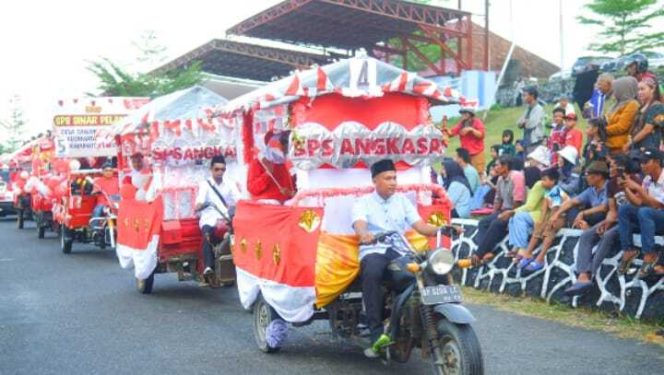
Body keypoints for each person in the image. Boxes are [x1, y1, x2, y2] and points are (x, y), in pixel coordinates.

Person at [352, 159, 457, 358]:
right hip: (374, 249)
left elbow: (421, 227)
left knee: (426, 272)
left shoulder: (402, 201)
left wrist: (442, 228)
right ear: (375, 180)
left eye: (394, 178)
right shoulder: (362, 202)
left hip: (399, 250)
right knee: (372, 272)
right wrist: (364, 234)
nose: (393, 182)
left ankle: (428, 320)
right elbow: (359, 224)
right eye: (387, 178)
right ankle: (375, 333)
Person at [564, 155, 640, 295]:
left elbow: (638, 205)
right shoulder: (611, 185)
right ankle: (582, 274)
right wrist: (606, 222)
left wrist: (627, 188)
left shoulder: (636, 181)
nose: (609, 169)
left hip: (632, 221)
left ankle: (589, 274)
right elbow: (612, 210)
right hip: (616, 219)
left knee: (608, 235)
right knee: (587, 234)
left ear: (621, 168)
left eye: (612, 166)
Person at [461, 155, 526, 265]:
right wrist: (494, 214)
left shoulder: (517, 176)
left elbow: (518, 201)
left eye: (497, 165)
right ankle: (487, 252)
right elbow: (498, 199)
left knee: (496, 224)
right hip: (504, 209)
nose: (494, 167)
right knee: (483, 222)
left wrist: (509, 215)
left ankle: (478, 254)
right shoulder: (501, 178)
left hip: (517, 211)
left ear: (505, 166)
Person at [616, 148, 664, 279]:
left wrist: (637, 188)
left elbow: (657, 205)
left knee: (645, 211)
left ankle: (650, 254)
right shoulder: (647, 179)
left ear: (657, 162)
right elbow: (638, 202)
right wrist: (625, 188)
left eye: (646, 162)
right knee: (624, 209)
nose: (642, 165)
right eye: (641, 162)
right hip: (651, 216)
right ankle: (628, 250)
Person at [194, 155, 241, 278]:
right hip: (209, 217)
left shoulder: (230, 183)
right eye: (217, 169)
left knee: (240, 233)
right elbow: (199, 202)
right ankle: (209, 266)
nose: (220, 172)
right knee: (207, 235)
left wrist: (241, 205)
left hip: (224, 218)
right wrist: (200, 205)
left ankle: (242, 263)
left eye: (223, 169)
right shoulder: (205, 184)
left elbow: (239, 199)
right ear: (211, 169)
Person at [507, 168, 559, 268]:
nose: (542, 182)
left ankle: (539, 258)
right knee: (536, 230)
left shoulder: (556, 191)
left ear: (553, 181)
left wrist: (547, 221)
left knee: (548, 233)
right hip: (547, 216)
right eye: (542, 179)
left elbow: (555, 210)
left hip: (557, 217)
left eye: (545, 180)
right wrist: (541, 221)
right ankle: (526, 252)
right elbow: (544, 207)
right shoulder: (547, 191)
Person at [550, 160, 610, 229]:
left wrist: (583, 213)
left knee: (598, 215)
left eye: (588, 174)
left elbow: (603, 207)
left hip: (606, 221)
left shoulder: (609, 187)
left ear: (599, 176)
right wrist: (556, 214)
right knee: (572, 210)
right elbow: (572, 202)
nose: (586, 177)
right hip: (593, 219)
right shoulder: (591, 190)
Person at [247, 130, 296, 204]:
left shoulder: (281, 162)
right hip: (267, 207)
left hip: (285, 206)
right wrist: (267, 174)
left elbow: (289, 188)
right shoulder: (257, 163)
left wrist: (291, 193)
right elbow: (252, 188)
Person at [625, 77, 664, 152]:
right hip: (638, 145)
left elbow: (647, 129)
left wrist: (630, 143)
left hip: (650, 147)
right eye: (638, 90)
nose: (639, 92)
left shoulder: (658, 107)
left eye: (642, 89)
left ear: (652, 89)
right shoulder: (642, 106)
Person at [443, 106, 486, 174]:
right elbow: (452, 133)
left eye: (464, 113)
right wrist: (445, 128)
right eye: (462, 113)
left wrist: (471, 129)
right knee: (466, 173)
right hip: (466, 155)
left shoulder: (477, 122)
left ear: (469, 114)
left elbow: (481, 135)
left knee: (478, 174)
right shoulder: (462, 123)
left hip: (477, 154)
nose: (462, 115)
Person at [605, 76, 639, 155]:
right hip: (610, 144)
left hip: (619, 147)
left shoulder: (632, 104)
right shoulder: (616, 104)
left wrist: (602, 130)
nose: (614, 92)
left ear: (623, 89)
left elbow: (622, 127)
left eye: (616, 89)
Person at [91, 161, 120, 228]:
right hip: (103, 203)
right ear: (103, 171)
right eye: (106, 170)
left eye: (110, 170)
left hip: (115, 202)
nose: (108, 172)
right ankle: (95, 229)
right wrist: (96, 191)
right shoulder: (97, 181)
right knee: (97, 211)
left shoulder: (117, 180)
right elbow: (94, 191)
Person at [517, 86, 545, 153]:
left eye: (524, 95)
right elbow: (519, 123)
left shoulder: (539, 109)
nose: (522, 98)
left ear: (532, 96)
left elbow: (530, 125)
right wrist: (523, 122)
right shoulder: (528, 109)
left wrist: (524, 122)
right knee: (527, 162)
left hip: (535, 141)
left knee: (532, 162)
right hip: (527, 140)